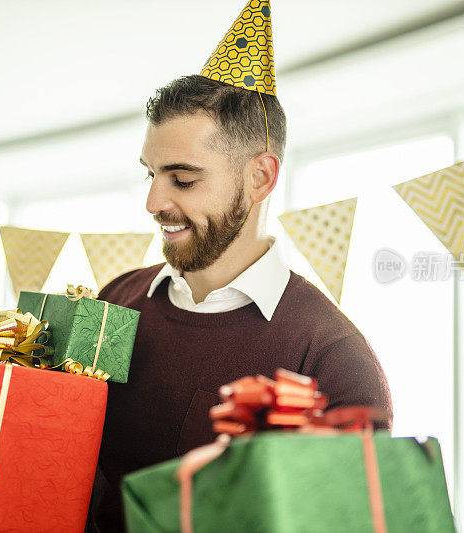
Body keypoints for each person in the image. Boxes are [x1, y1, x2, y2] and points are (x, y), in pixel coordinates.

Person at [90, 1, 392, 530]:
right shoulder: (115, 298)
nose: (154, 202)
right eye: (151, 175)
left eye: (183, 179)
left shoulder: (331, 359)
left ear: (260, 177)